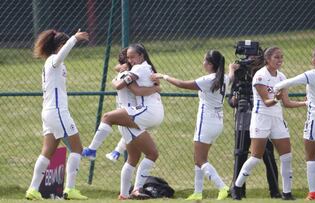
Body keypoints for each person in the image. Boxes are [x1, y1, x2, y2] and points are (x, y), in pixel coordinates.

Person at [83, 43, 164, 200]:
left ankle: (92, 150)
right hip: (140, 116)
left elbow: (121, 85)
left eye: (133, 57)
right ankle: (127, 193)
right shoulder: (144, 68)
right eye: (128, 58)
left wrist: (119, 73)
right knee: (140, 156)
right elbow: (142, 87)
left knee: (107, 117)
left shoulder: (137, 70)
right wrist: (155, 88)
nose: (131, 60)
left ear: (141, 56)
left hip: (139, 114)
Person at [151, 50, 229, 200]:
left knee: (201, 160)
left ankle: (222, 187)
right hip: (217, 122)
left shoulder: (208, 79)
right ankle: (198, 192)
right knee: (199, 157)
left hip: (206, 122)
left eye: (204, 61)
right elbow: (230, 76)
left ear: (210, 64)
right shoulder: (224, 77)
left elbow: (182, 84)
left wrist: (163, 76)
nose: (203, 63)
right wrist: (232, 70)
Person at [233, 47, 306, 200]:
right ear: (268, 59)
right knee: (255, 157)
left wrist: (305, 103)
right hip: (261, 119)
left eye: (281, 57)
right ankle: (236, 187)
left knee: (286, 156)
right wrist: (276, 98)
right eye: (276, 57)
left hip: (277, 120)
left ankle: (287, 193)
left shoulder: (282, 77)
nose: (280, 60)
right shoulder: (260, 76)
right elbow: (267, 102)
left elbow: (286, 103)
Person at [25, 29, 89, 200]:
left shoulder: (53, 63)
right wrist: (75, 38)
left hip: (49, 112)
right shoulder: (54, 60)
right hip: (57, 112)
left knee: (47, 152)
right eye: (65, 44)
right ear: (60, 46)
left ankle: (33, 190)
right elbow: (62, 54)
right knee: (77, 149)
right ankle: (70, 189)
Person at [274, 47, 315, 200]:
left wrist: (276, 88)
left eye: (313, 57)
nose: (311, 60)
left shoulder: (313, 74)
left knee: (310, 158)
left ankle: (313, 192)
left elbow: (289, 82)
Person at [227, 53, 281, 199]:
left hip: (263, 121)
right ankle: (239, 191)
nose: (250, 61)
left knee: (268, 154)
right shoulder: (239, 74)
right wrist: (234, 100)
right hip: (243, 120)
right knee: (241, 154)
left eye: (254, 58)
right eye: (248, 58)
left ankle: (275, 191)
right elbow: (231, 100)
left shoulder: (265, 75)